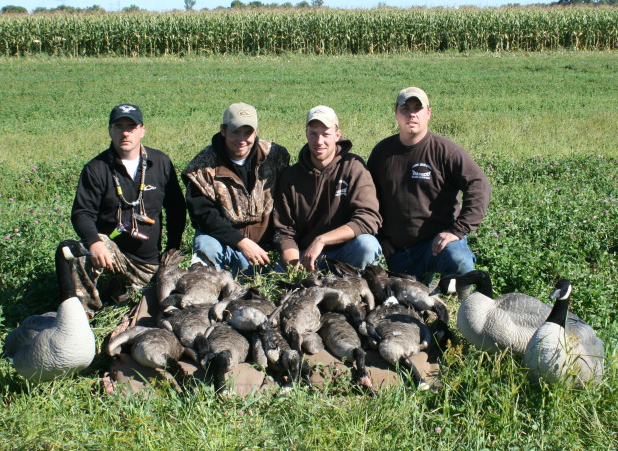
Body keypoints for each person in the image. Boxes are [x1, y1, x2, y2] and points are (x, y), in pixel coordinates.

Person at [56, 104, 187, 314]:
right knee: (77, 251)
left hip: (148, 260)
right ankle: (85, 316)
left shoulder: (160, 162)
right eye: (119, 127)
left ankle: (119, 288)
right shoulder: (96, 168)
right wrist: (95, 242)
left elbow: (176, 208)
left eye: (131, 127)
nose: (125, 133)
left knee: (169, 298)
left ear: (142, 130)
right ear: (110, 130)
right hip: (111, 253)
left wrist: (172, 248)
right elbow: (82, 213)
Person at [367, 87, 490, 286]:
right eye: (405, 108)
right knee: (401, 309)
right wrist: (381, 238)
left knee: (460, 261)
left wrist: (458, 230)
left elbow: (478, 185)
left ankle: (461, 305)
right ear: (396, 113)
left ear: (429, 113)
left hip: (435, 246)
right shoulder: (382, 152)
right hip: (397, 251)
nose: (412, 114)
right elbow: (368, 199)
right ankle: (427, 286)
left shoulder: (446, 150)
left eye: (418, 108)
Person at [182, 102, 289, 274]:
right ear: (223, 130)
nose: (242, 139)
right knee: (205, 245)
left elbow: (287, 199)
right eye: (235, 132)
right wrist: (242, 242)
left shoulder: (275, 155)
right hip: (223, 238)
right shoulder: (201, 168)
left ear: (256, 132)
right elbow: (205, 216)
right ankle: (208, 285)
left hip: (266, 240)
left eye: (248, 132)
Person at [273, 105, 382, 271]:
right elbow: (284, 231)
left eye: (326, 134)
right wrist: (295, 266)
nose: (319, 141)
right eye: (313, 134)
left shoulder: (353, 167)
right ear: (306, 134)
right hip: (306, 255)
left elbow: (368, 218)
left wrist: (322, 240)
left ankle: (356, 286)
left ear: (337, 135)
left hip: (344, 252)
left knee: (367, 244)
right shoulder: (291, 176)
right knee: (275, 273)